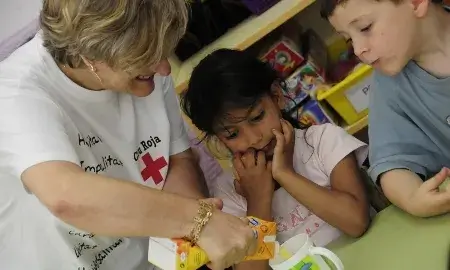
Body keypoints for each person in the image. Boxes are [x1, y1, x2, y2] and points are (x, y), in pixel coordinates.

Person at [0, 1, 258, 269]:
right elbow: (65, 196)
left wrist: (196, 239)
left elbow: (175, 161)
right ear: (92, 54)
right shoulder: (15, 93)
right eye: (147, 57)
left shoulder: (146, 68)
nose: (164, 69)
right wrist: (197, 221)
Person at [182, 49, 370, 270]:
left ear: (277, 97)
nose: (253, 139)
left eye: (257, 117)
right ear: (219, 139)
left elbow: (356, 222)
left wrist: (285, 174)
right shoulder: (226, 194)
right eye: (232, 134)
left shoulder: (322, 142)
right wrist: (258, 198)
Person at [321, 0, 450, 217]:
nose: (358, 49)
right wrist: (413, 199)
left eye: (365, 28)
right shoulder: (388, 85)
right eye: (348, 39)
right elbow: (390, 164)